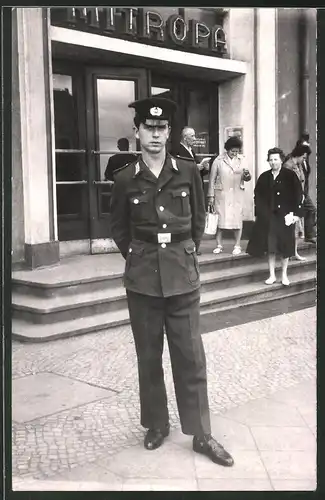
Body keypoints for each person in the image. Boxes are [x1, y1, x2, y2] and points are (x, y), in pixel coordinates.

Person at [110, 96, 234, 467]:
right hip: (143, 280)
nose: (155, 134)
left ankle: (200, 434)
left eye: (161, 128)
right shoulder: (123, 179)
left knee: (191, 357)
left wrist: (186, 254)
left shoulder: (188, 171)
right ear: (137, 131)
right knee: (149, 357)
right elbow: (119, 230)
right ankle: (157, 425)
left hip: (182, 278)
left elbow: (197, 221)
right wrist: (139, 256)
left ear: (169, 133)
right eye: (148, 127)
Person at [246, 147, 303, 286]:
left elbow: (298, 195)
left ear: (281, 160)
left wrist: (296, 214)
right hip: (269, 218)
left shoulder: (290, 175)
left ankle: (284, 275)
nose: (273, 162)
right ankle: (271, 275)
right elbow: (257, 196)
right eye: (270, 160)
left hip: (285, 217)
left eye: (276, 159)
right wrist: (260, 212)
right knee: (271, 247)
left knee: (285, 247)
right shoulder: (264, 177)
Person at [207, 136, 251, 256]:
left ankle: (237, 245)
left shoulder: (242, 160)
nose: (235, 153)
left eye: (237, 151)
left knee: (237, 220)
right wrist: (210, 196)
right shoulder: (219, 160)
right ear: (227, 149)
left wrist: (247, 175)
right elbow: (212, 179)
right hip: (222, 194)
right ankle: (219, 245)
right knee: (220, 220)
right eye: (232, 151)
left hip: (237, 194)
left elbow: (247, 178)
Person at [283, 144, 309, 261]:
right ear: (298, 155)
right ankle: (289, 252)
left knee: (298, 227)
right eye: (303, 157)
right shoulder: (288, 166)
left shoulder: (298, 165)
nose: (304, 160)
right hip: (291, 200)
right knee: (292, 227)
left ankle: (294, 252)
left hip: (299, 198)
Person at [295, 134, 316, 244]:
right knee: (308, 210)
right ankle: (308, 234)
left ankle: (309, 234)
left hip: (304, 191)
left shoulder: (305, 161)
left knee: (311, 210)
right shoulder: (295, 161)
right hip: (298, 192)